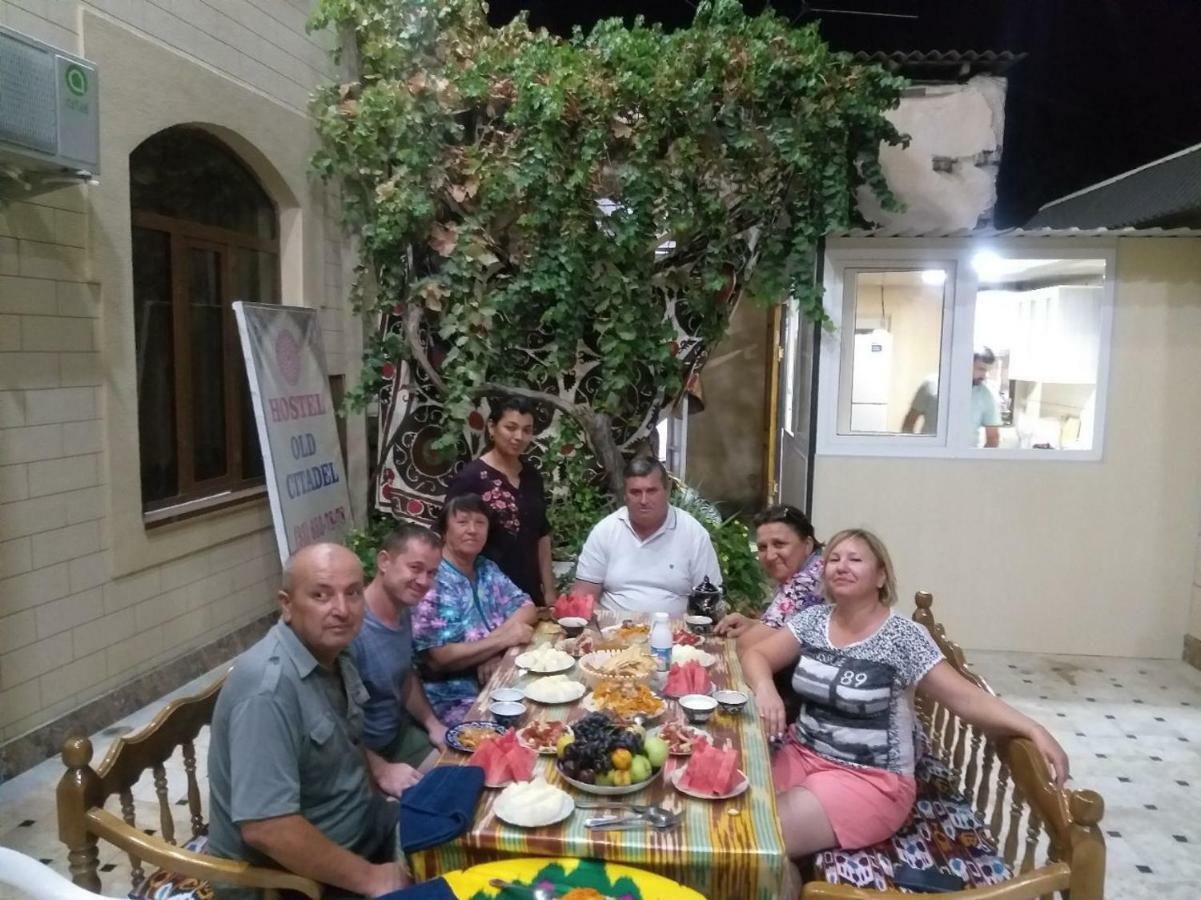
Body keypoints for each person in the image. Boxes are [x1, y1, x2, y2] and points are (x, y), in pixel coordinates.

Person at [742, 528, 1069, 861]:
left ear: (881, 575)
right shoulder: (813, 621)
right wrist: (766, 689)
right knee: (729, 807)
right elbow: (756, 655)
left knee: (754, 832)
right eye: (834, 560)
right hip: (803, 753)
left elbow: (965, 698)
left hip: (869, 780)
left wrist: (1033, 728)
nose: (841, 566)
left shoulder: (904, 637)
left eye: (855, 559)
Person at [207, 543, 411, 899]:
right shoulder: (267, 691)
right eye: (321, 595)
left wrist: (379, 773)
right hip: (289, 880)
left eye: (352, 593)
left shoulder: (334, 650)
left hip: (361, 826)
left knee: (462, 839)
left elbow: (345, 735)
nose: (342, 610)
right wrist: (371, 878)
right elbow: (267, 828)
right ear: (286, 605)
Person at [411, 493, 538, 726]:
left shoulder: (485, 568)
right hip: (453, 696)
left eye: (480, 522)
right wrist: (502, 641)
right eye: (462, 522)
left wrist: (491, 649)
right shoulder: (434, 578)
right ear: (444, 530)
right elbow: (441, 658)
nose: (472, 529)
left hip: (500, 676)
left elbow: (527, 607)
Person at [351, 524, 448, 789]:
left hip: (398, 736)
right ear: (384, 561)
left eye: (431, 573)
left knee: (461, 774)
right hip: (359, 757)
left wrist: (432, 724)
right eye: (415, 568)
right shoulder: (350, 628)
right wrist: (381, 771)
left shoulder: (403, 608)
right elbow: (333, 723)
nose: (424, 582)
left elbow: (405, 674)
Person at [571, 456, 722, 617]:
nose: (644, 500)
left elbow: (711, 601)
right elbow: (582, 596)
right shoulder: (605, 531)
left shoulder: (693, 534)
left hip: (676, 635)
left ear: (667, 490)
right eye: (635, 492)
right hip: (613, 633)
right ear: (625, 495)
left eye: (651, 491)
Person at [445, 396, 556, 606]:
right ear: (492, 427)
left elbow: (542, 536)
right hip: (486, 593)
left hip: (529, 592)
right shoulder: (471, 478)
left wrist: (549, 591)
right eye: (511, 427)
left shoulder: (532, 477)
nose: (518, 436)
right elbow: (449, 536)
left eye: (527, 430)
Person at [715, 504, 824, 651]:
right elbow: (784, 629)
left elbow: (750, 645)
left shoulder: (808, 580)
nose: (770, 556)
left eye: (779, 544)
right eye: (762, 547)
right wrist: (753, 625)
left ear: (807, 545)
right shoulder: (813, 567)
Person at [901, 348, 1002, 447]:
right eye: (981, 369)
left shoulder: (985, 395)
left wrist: (978, 463)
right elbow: (909, 422)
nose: (985, 376)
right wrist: (912, 453)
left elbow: (993, 438)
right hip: (929, 456)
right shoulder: (931, 384)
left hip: (966, 459)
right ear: (965, 363)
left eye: (987, 370)